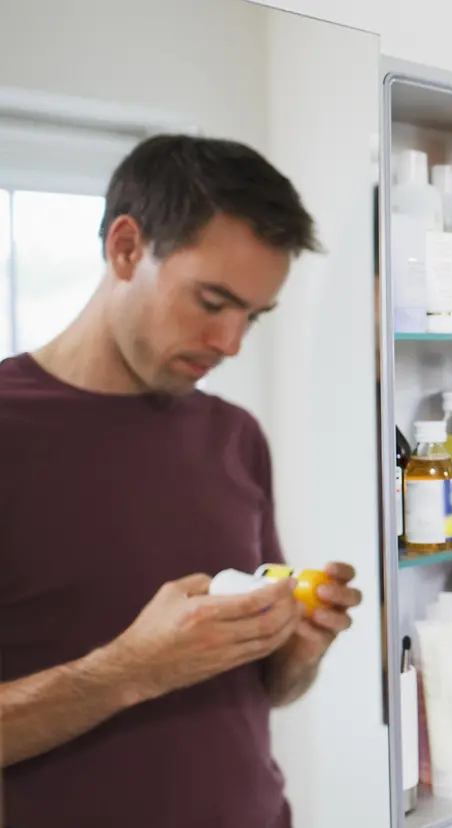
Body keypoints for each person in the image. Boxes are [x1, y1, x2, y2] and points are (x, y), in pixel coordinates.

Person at [0, 134, 363, 827]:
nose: (231, 343)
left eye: (251, 317)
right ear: (127, 248)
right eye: (211, 301)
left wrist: (295, 651)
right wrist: (129, 671)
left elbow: (263, 694)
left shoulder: (236, 438)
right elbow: (144, 669)